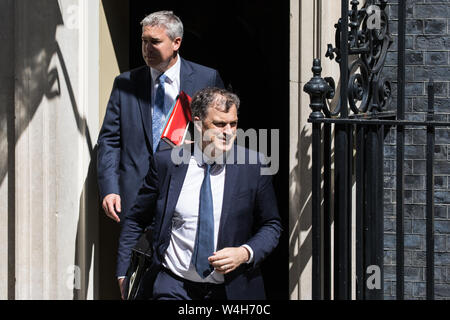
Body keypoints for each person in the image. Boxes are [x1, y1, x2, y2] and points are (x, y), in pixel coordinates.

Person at [117, 87, 282, 300]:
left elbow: (271, 225)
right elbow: (137, 219)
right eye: (219, 124)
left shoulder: (254, 166)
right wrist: (124, 271)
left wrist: (244, 253)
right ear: (198, 123)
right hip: (173, 285)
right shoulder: (166, 164)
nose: (229, 131)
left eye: (233, 123)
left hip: (231, 290)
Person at [97, 11, 224, 225]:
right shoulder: (125, 83)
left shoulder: (206, 78)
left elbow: (223, 133)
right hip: (135, 197)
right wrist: (110, 188)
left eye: (154, 42)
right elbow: (109, 141)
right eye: (144, 41)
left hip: (188, 193)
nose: (147, 49)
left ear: (176, 43)